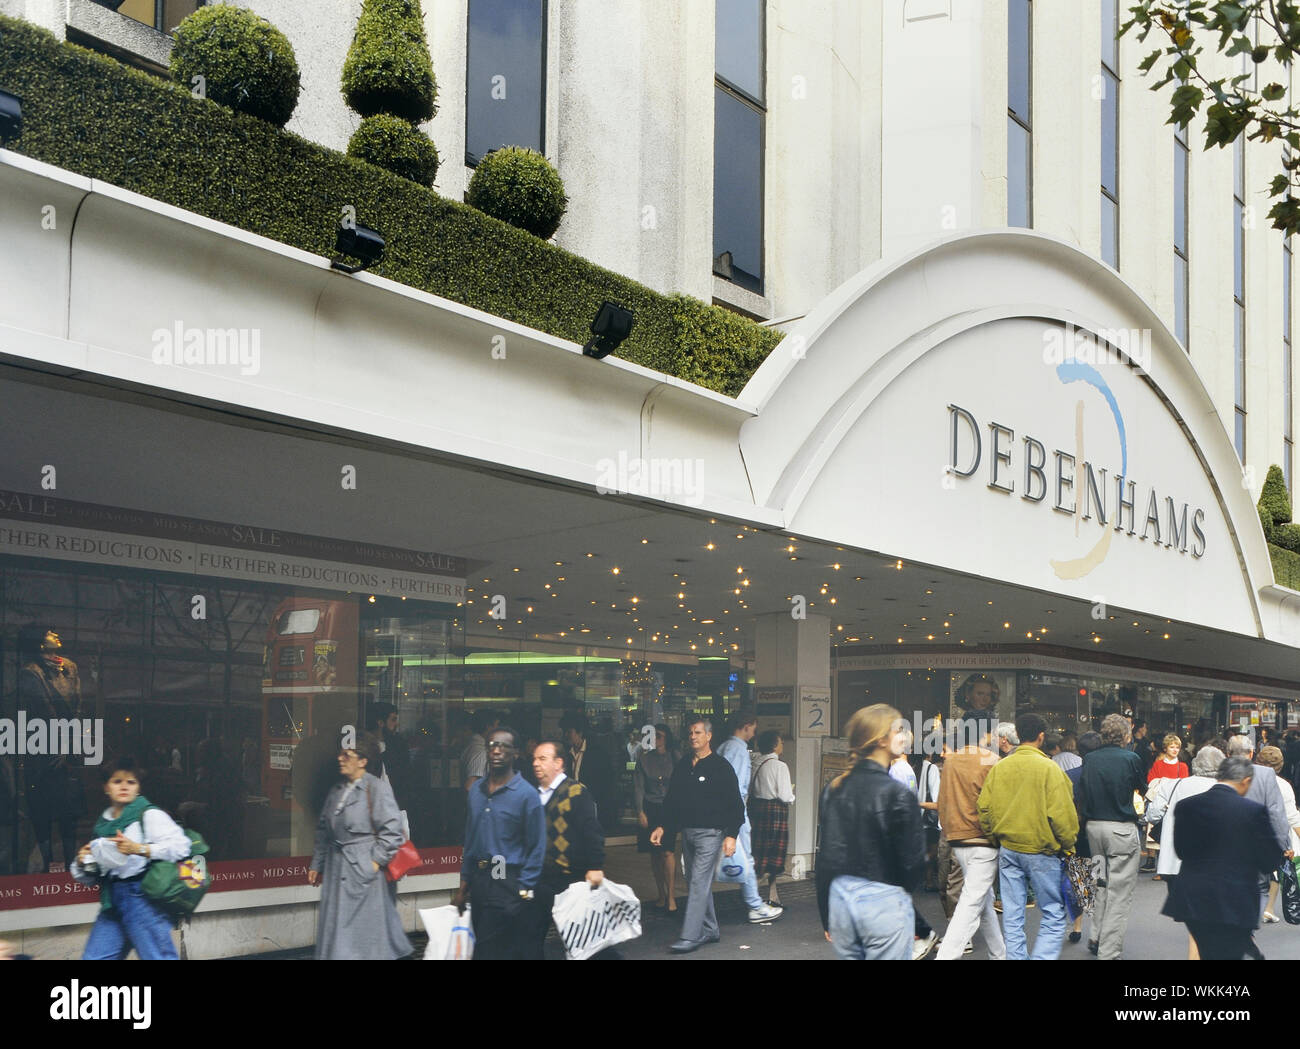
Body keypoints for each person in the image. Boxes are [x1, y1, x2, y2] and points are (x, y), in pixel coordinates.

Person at [816, 704, 926, 960]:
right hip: (883, 902)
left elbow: (827, 857)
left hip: (841, 902)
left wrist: (826, 914)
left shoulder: (834, 789)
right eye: (899, 730)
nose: (905, 736)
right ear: (881, 741)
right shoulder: (897, 793)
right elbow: (912, 864)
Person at [1161, 756, 1285, 960]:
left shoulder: (1187, 806)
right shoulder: (1252, 811)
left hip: (1194, 897)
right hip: (1234, 898)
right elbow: (1269, 860)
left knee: (1209, 951)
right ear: (1245, 781)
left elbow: (1182, 850)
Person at [977, 712, 1077, 960]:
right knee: (1053, 914)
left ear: (1018, 735)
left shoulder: (1000, 767)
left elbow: (984, 808)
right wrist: (1068, 846)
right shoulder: (1049, 769)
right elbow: (1063, 817)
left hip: (1008, 849)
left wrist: (994, 838)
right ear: (1041, 736)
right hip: (1042, 851)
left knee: (1012, 915)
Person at [70, 758, 192, 960]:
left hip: (143, 900)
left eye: (131, 782)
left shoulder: (149, 814)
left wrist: (140, 849)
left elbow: (181, 846)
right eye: (117, 781)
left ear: (138, 788)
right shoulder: (103, 825)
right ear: (106, 788)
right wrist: (82, 863)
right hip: (113, 901)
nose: (124, 786)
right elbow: (94, 876)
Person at [307, 733, 411, 960]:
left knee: (362, 940)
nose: (341, 759)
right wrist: (318, 863)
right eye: (341, 753)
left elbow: (392, 833)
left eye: (348, 755)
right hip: (337, 872)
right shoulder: (337, 790)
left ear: (363, 760)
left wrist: (372, 864)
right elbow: (324, 830)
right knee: (337, 934)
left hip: (363, 876)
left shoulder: (376, 789)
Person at [649, 717, 745, 953]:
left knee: (698, 882)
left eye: (698, 732)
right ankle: (710, 928)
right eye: (691, 732)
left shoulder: (720, 766)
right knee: (696, 882)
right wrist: (662, 826)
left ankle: (690, 935)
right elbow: (672, 800)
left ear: (709, 736)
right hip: (688, 833)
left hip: (711, 835)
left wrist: (731, 834)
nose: (693, 736)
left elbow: (735, 803)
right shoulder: (683, 765)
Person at [454, 726, 547, 959]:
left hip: (510, 882)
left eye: (504, 746)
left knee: (497, 950)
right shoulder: (476, 790)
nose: (497, 751)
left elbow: (537, 846)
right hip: (481, 880)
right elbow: (471, 840)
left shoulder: (527, 794)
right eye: (493, 745)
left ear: (515, 753)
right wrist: (464, 886)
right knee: (486, 947)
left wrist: (524, 890)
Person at [934, 717, 1004, 961]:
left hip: (956, 838)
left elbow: (943, 801)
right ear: (984, 733)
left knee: (982, 903)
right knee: (971, 903)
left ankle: (999, 954)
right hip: (983, 840)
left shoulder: (951, 761)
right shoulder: (992, 761)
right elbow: (997, 805)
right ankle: (946, 955)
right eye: (993, 732)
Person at [1076, 714, 1146, 960]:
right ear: (1126, 736)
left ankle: (1095, 935)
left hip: (1094, 828)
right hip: (1121, 829)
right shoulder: (1131, 758)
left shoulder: (1090, 759)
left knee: (1100, 885)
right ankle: (1108, 952)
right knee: (1119, 894)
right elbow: (1141, 789)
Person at [1146, 745, 1225, 960]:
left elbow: (1152, 815)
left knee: (1194, 921)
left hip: (1174, 864)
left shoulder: (1173, 786)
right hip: (1213, 866)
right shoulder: (1225, 789)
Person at [530, 739, 605, 958]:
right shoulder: (533, 795)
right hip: (541, 879)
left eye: (542, 759)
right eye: (534, 758)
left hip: (570, 879)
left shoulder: (576, 791)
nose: (535, 763)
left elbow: (592, 831)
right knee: (530, 937)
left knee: (581, 941)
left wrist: (595, 866)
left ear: (559, 763)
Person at [18, 626, 84, 872]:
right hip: (44, 752)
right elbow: (45, 712)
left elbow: (77, 704)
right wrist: (63, 742)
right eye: (47, 633)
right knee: (43, 811)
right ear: (38, 643)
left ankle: (70, 865)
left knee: (68, 813)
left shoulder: (69, 667)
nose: (55, 634)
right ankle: (47, 866)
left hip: (65, 751)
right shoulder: (30, 673)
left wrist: (70, 741)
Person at [1225, 732, 1291, 955]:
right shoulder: (1264, 774)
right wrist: (1284, 843)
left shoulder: (1220, 770)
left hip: (1223, 839)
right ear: (1252, 753)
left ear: (1228, 753)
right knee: (1258, 885)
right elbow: (1275, 812)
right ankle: (1245, 928)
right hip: (1254, 841)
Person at [717, 714, 784, 924]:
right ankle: (755, 906)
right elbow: (735, 787)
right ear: (745, 726)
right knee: (746, 858)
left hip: (721, 812)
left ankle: (701, 906)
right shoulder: (737, 750)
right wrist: (736, 817)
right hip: (735, 812)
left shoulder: (723, 747)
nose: (754, 733)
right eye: (753, 728)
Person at [1064, 730, 1103, 945]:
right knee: (1099, 884)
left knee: (1079, 883)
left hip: (1077, 834)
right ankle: (1095, 934)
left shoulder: (1070, 775)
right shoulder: (1103, 774)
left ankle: (1077, 927)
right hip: (1099, 833)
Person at [634, 724, 677, 912]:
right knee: (654, 853)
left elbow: (680, 784)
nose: (656, 740)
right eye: (653, 736)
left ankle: (672, 896)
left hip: (668, 807)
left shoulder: (675, 757)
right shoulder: (644, 759)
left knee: (667, 851)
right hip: (650, 808)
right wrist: (640, 811)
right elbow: (638, 787)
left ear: (666, 738)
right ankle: (661, 893)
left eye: (659, 736)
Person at [750, 730, 795, 907]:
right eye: (781, 742)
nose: (782, 745)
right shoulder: (780, 766)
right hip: (775, 812)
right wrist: (792, 796)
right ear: (775, 745)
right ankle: (754, 898)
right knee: (773, 856)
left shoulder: (755, 763)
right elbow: (785, 795)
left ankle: (772, 895)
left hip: (757, 810)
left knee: (759, 853)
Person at [1256, 746, 1300, 923]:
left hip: (1248, 834)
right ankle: (1268, 908)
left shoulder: (1246, 780)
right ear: (1280, 765)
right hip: (1274, 836)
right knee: (1276, 870)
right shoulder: (1283, 786)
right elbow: (1291, 817)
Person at [562, 713, 617, 832]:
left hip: (592, 807)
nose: (566, 735)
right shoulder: (567, 754)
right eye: (565, 732)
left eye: (569, 732)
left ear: (580, 733)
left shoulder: (597, 754)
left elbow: (606, 785)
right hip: (572, 806)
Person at [461, 710, 496, 792]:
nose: (497, 729)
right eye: (496, 725)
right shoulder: (481, 752)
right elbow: (470, 786)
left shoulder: (472, 746)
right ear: (488, 727)